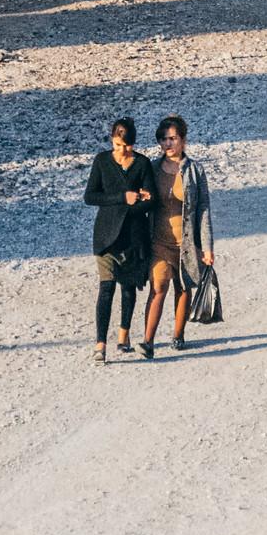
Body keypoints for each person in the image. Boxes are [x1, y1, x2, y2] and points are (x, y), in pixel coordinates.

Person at [84, 117, 157, 364]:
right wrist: (122, 197)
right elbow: (91, 196)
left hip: (133, 238)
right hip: (105, 235)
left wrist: (141, 199)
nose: (121, 151)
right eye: (117, 145)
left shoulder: (143, 164)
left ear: (133, 143)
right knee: (106, 288)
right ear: (111, 141)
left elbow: (152, 200)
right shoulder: (102, 161)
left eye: (126, 146)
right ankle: (100, 345)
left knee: (128, 287)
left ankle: (124, 334)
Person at [140, 115, 214, 359]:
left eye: (172, 138)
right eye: (163, 139)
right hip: (159, 241)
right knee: (158, 286)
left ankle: (178, 335)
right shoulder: (151, 168)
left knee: (183, 288)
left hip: (187, 243)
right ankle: (148, 341)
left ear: (183, 139)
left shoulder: (195, 170)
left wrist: (207, 247)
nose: (168, 144)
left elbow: (203, 209)